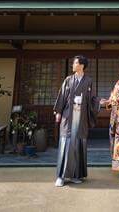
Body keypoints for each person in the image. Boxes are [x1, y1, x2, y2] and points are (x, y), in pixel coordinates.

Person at [52, 55, 97, 187]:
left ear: (82, 65)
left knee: (78, 145)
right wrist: (58, 112)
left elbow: (93, 98)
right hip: (68, 115)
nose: (73, 65)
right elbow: (61, 96)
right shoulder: (68, 80)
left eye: (75, 63)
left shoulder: (88, 80)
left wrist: (101, 102)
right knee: (66, 144)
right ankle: (61, 176)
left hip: (81, 117)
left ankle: (75, 175)